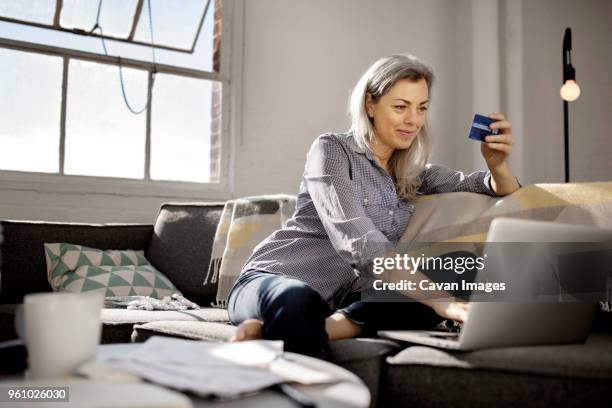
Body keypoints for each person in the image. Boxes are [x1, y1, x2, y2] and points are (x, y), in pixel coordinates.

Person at [226, 54, 521, 359]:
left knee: (462, 267)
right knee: (296, 300)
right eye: (400, 107)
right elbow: (359, 243)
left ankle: (293, 329)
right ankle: (306, 352)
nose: (413, 121)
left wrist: (497, 164)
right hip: (275, 281)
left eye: (421, 108)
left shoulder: (416, 175)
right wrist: (439, 301)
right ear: (370, 104)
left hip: (344, 303)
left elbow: (494, 188)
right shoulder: (331, 150)